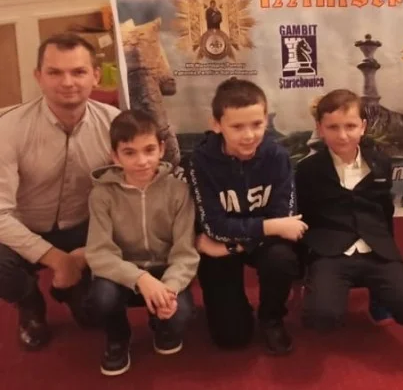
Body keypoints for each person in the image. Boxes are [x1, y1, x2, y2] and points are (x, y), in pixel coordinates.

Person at [0, 33, 119, 350]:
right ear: (38, 76)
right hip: (23, 227)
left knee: (94, 316)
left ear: (95, 75)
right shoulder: (8, 128)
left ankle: (69, 289)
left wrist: (87, 254)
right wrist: (58, 260)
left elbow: (128, 200)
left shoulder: (115, 125)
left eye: (78, 72)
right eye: (54, 72)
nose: (67, 82)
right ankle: (29, 301)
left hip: (84, 229)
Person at [183, 78, 306, 353]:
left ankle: (271, 317)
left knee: (282, 259)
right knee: (231, 338)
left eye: (257, 124)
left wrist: (232, 246)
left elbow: (284, 219)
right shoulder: (199, 161)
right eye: (237, 127)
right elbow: (214, 226)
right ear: (217, 124)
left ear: (266, 119)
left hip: (232, 244)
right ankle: (232, 308)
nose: (249, 135)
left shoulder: (278, 156)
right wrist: (270, 227)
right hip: (224, 241)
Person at [296, 89, 403, 331]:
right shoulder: (307, 170)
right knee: (321, 318)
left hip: (376, 250)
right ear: (320, 128)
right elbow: (303, 216)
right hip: (331, 252)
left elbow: (385, 211)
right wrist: (306, 264)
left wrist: (390, 253)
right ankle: (323, 292)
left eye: (350, 126)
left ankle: (379, 294)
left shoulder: (380, 163)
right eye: (333, 127)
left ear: (363, 127)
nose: (343, 135)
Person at [85, 109, 199, 376]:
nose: (142, 161)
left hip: (164, 270)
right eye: (129, 152)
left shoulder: (178, 191)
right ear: (115, 156)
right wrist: (140, 279)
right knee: (100, 300)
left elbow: (185, 252)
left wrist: (169, 289)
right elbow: (99, 253)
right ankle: (118, 337)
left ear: (161, 149)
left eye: (149, 150)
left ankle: (162, 325)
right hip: (121, 272)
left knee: (181, 313)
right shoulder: (102, 195)